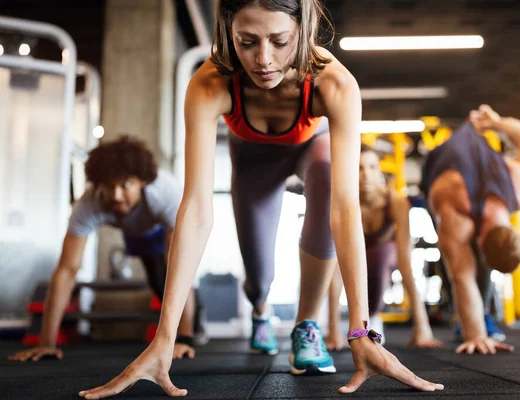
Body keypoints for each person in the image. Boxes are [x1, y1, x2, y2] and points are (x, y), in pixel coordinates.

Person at [78, 1, 444, 398]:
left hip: (310, 145)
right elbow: (197, 208)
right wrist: (165, 338)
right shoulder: (210, 83)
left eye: (280, 41)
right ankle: (260, 310)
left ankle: (306, 325)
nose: (264, 59)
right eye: (247, 42)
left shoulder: (334, 84)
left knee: (326, 179)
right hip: (252, 156)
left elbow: (345, 207)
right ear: (228, 34)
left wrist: (361, 331)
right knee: (259, 272)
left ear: (302, 31)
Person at [8, 136, 204, 363]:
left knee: (169, 274)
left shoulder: (166, 194)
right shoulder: (89, 204)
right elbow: (66, 270)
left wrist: (183, 340)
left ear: (142, 182)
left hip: (163, 226)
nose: (116, 195)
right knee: (157, 281)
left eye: (125, 185)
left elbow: (180, 267)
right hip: (134, 231)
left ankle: (190, 331)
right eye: (109, 186)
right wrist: (46, 343)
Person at [420, 104, 520, 355]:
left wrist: (496, 122)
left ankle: (479, 315)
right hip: (438, 170)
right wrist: (476, 336)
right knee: (456, 260)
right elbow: (461, 275)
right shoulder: (454, 206)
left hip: (474, 160)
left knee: (468, 263)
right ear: (481, 241)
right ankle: (468, 320)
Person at [325, 145, 443, 350]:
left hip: (384, 255)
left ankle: (372, 315)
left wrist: (422, 325)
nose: (365, 175)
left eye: (371, 167)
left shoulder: (396, 201)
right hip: (355, 256)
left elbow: (405, 260)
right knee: (335, 263)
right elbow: (334, 266)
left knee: (383, 253)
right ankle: (361, 320)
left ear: (379, 171)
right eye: (359, 168)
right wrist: (333, 330)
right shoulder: (343, 202)